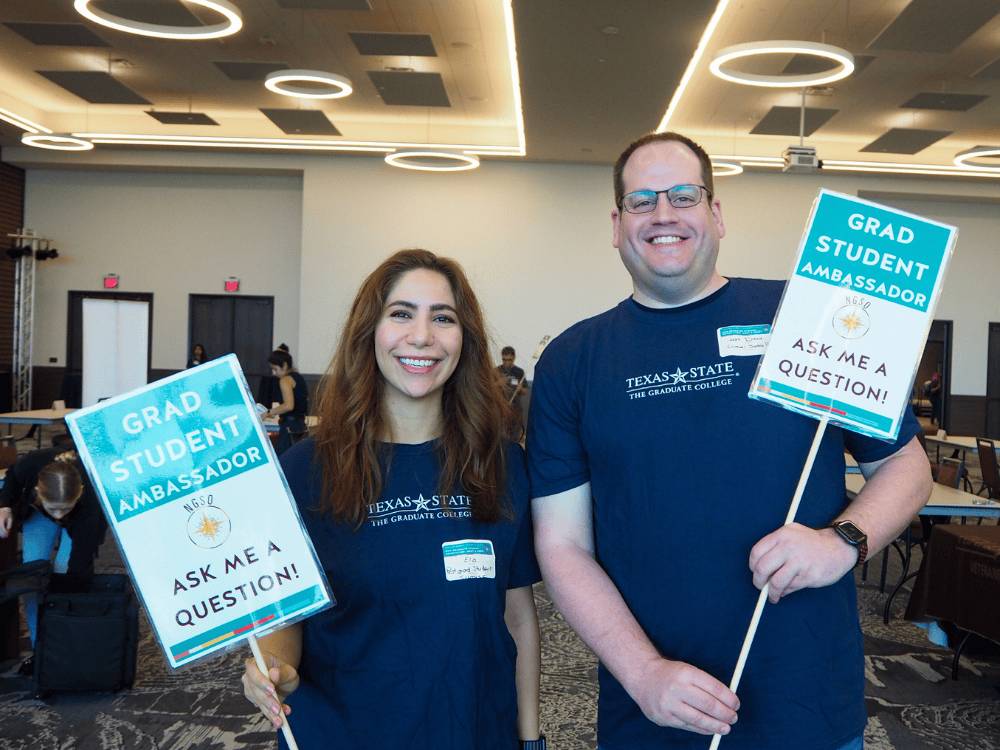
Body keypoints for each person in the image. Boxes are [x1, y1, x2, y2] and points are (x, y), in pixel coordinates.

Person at [527, 132, 932, 750]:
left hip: (808, 703)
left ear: (716, 214)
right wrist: (642, 674)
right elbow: (562, 544)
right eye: (642, 201)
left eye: (684, 195)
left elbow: (906, 467)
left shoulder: (805, 315)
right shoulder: (571, 361)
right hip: (651, 708)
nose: (664, 214)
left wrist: (842, 541)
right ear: (616, 224)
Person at [241, 249, 544, 750]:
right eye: (401, 314)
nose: (421, 336)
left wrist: (531, 741)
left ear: (463, 338)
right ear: (370, 333)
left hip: (475, 732)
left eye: (442, 318)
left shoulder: (502, 464)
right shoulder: (307, 468)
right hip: (343, 734)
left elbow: (517, 617)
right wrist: (274, 667)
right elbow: (283, 615)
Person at [0, 446, 108, 652]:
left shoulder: (90, 504)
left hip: (79, 518)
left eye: (64, 510)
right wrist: (4, 506)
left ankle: (65, 647)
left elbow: (79, 565)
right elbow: (13, 476)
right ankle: (39, 651)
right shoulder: (32, 465)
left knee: (65, 570)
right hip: (38, 512)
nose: (58, 516)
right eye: (54, 509)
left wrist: (60, 607)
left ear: (79, 494)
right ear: (37, 490)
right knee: (31, 574)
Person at [262, 349, 309, 454]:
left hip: (289, 426)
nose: (273, 373)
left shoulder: (285, 380)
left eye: (275, 369)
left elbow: (288, 406)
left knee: (283, 459)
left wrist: (268, 413)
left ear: (284, 365)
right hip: (300, 424)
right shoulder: (298, 377)